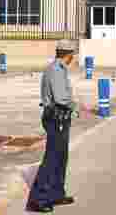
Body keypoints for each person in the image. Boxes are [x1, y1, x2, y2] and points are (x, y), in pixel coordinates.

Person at [26, 40, 80, 212]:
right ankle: (38, 199)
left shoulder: (58, 69)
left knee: (61, 158)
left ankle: (56, 194)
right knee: (51, 159)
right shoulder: (56, 70)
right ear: (68, 55)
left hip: (60, 119)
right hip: (56, 119)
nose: (73, 58)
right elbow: (60, 98)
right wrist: (75, 106)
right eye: (73, 54)